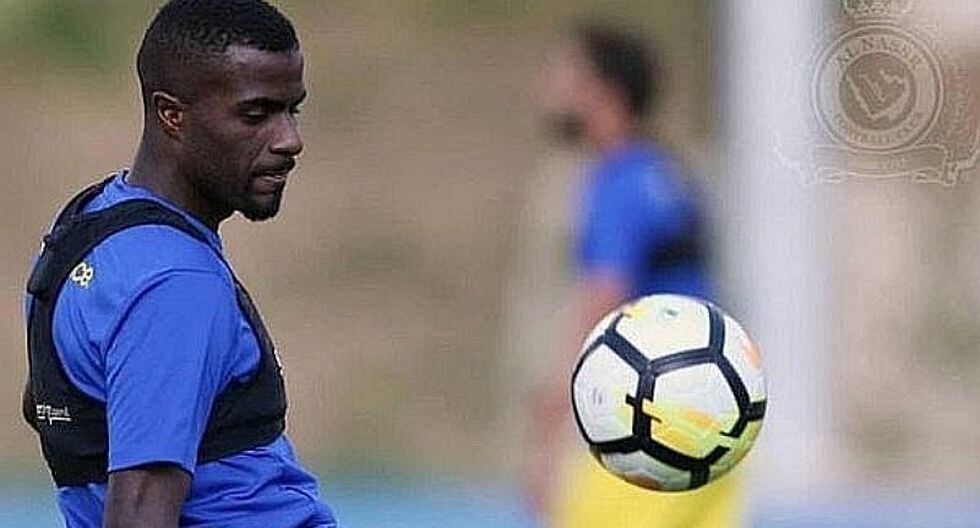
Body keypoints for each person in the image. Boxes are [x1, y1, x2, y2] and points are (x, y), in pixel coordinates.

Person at [21, 1, 337, 526]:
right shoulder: (175, 281)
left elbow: (49, 407)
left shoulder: (86, 226)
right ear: (172, 114)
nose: (290, 140)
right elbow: (140, 511)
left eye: (292, 110)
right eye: (256, 114)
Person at [527, 23, 744, 528]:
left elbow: (603, 296)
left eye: (568, 75)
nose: (551, 87)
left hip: (648, 423)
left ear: (605, 92)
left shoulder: (617, 182)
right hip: (714, 414)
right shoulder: (667, 171)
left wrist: (551, 428)